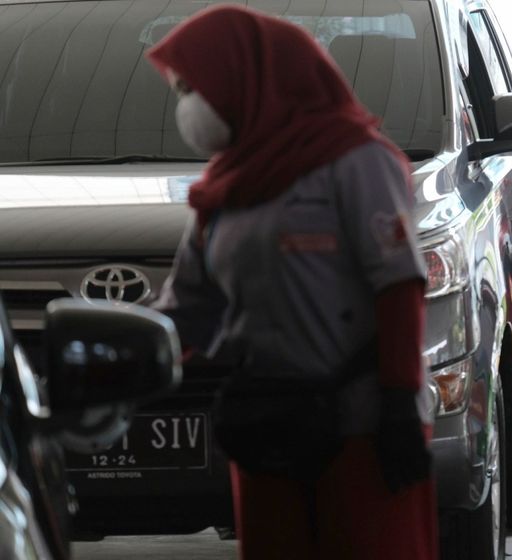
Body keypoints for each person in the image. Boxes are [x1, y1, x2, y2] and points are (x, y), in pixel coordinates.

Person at [145, 5, 437, 558]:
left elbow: (399, 285)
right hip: (269, 423)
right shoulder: (223, 188)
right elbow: (189, 310)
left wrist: (398, 401)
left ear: (247, 76)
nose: (188, 107)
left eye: (192, 88)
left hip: (363, 428)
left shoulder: (357, 161)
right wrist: (122, 361)